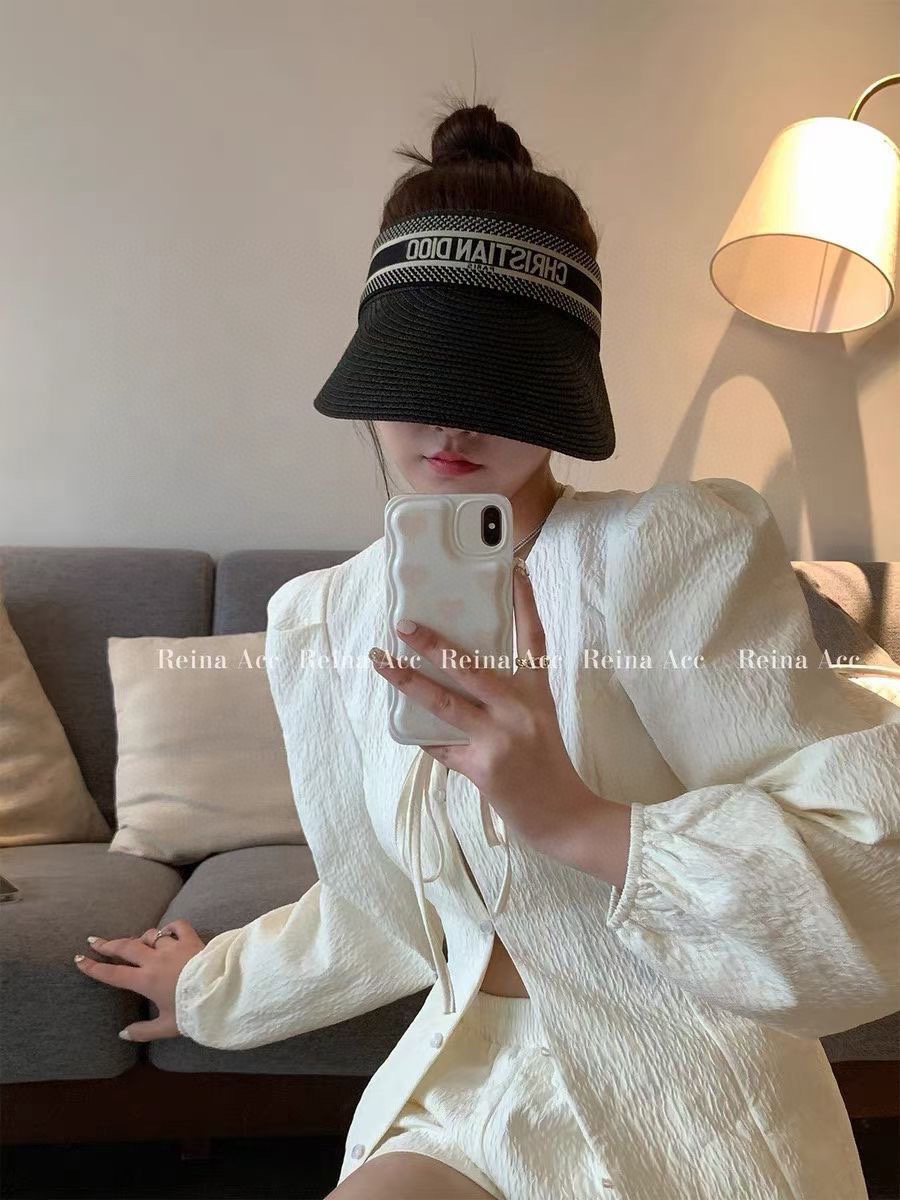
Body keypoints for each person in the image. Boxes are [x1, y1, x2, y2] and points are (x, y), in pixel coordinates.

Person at [73, 100, 900, 1200]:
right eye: (419, 380)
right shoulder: (326, 619)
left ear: (559, 394)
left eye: (495, 387)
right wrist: (214, 988)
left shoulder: (668, 553)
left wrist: (579, 819)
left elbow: (868, 846)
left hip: (688, 1088)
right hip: (468, 1082)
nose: (451, 425)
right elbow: (378, 899)